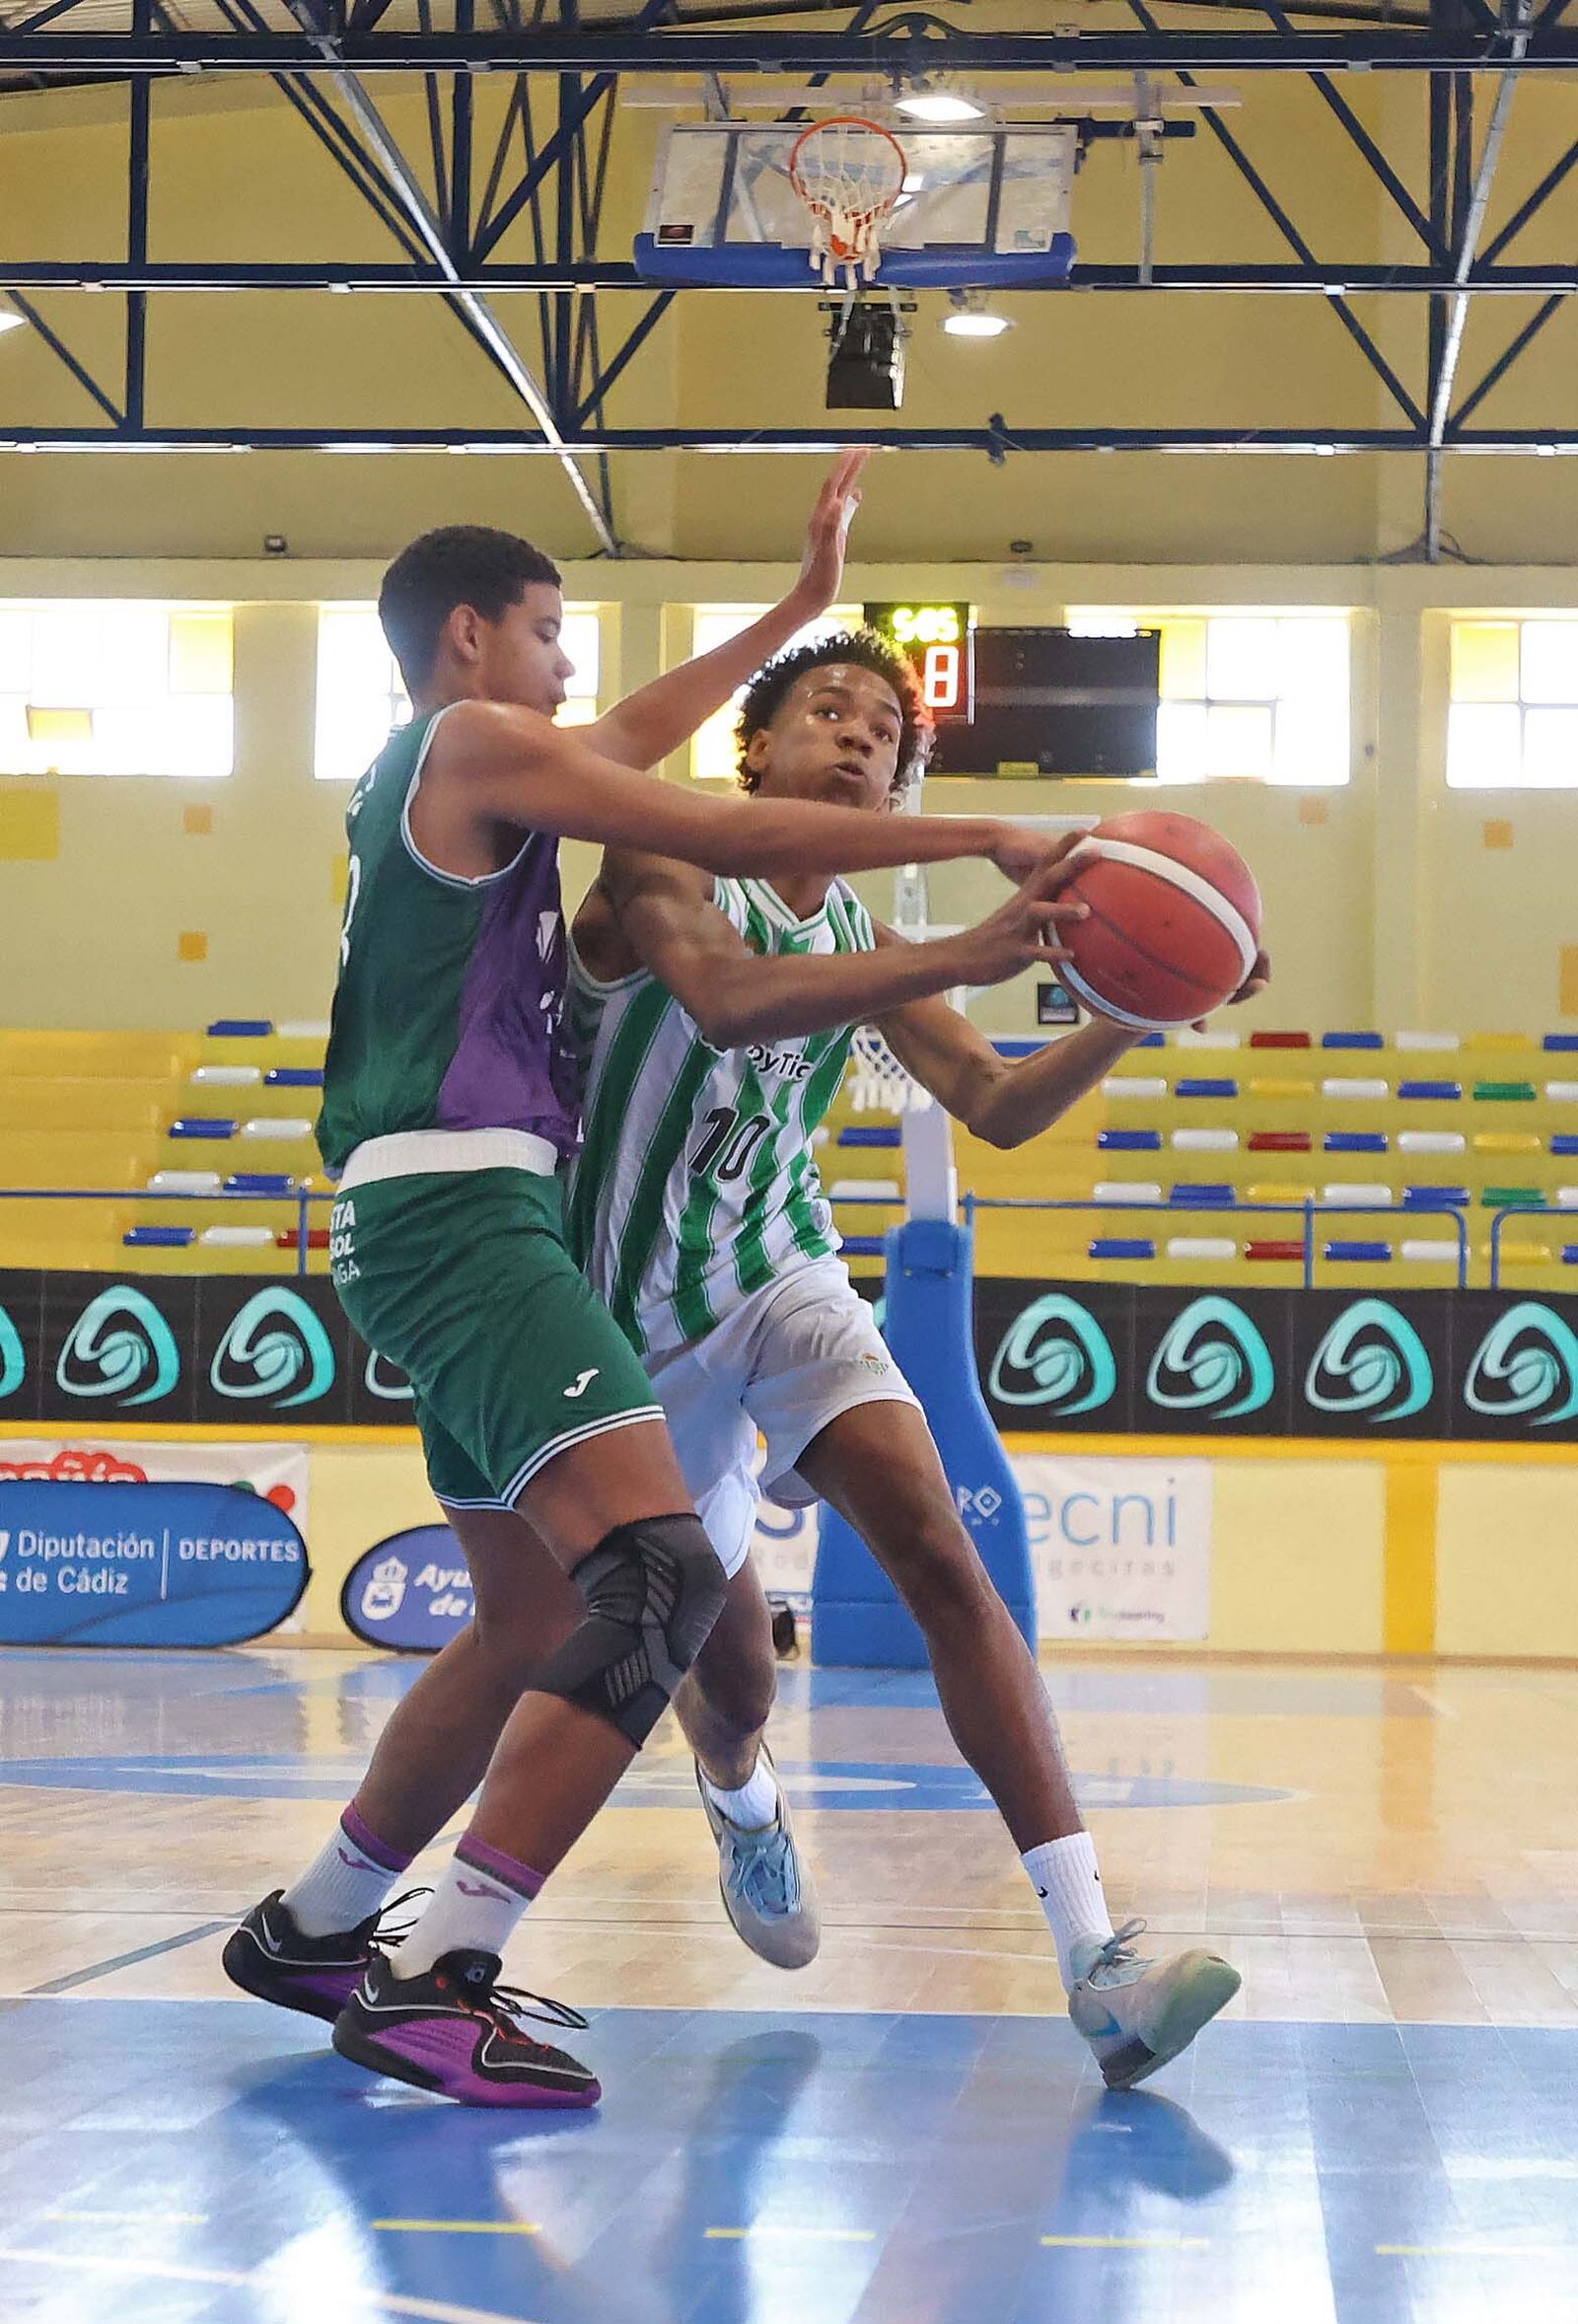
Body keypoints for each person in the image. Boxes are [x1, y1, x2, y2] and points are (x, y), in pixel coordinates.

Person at [221, 457, 1077, 2108]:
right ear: (470, 638)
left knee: (530, 1617)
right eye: (551, 636)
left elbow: (641, 756)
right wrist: (984, 840)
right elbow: (714, 812)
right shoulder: (473, 745)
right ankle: (437, 1969)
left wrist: (804, 607)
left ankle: (317, 1924)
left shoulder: (462, 762)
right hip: (469, 1218)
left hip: (445, 1221)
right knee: (667, 1577)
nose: (572, 672)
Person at [564, 626, 1270, 2090]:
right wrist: (985, 943)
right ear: (753, 752)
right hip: (628, 1323)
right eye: (828, 708)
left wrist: (1139, 1010)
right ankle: (740, 1789)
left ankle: (1096, 1958)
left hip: (783, 1275)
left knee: (940, 1550)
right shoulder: (661, 867)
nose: (860, 733)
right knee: (737, 1674)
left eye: (886, 726)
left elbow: (998, 1106)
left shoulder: (872, 950)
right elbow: (727, 1000)